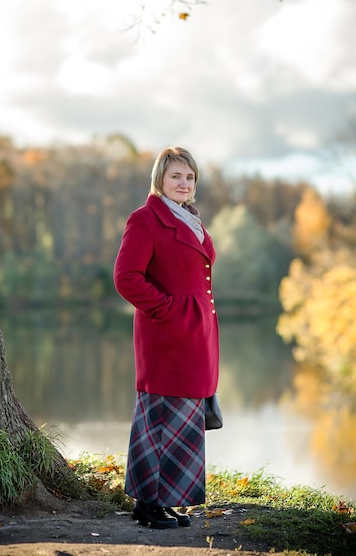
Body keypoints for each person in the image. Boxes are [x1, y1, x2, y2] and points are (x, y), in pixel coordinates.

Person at [114, 146, 220, 530]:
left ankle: (166, 501)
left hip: (195, 337)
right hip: (166, 337)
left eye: (189, 177)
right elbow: (126, 279)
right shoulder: (145, 219)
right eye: (176, 176)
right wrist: (169, 310)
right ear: (160, 178)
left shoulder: (190, 219)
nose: (184, 183)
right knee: (159, 419)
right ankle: (146, 505)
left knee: (184, 421)